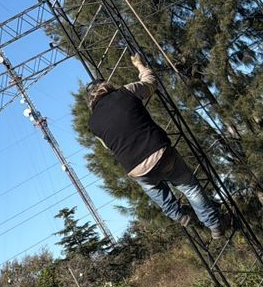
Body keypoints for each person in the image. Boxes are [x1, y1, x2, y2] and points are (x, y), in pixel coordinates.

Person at [86, 54, 226, 239]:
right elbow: (151, 82)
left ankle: (180, 215)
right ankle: (214, 225)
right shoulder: (125, 92)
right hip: (159, 151)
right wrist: (139, 65)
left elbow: (107, 146)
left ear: (90, 100)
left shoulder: (93, 124)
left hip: (136, 168)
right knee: (190, 188)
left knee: (159, 195)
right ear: (106, 86)